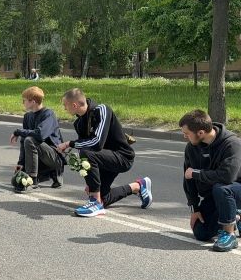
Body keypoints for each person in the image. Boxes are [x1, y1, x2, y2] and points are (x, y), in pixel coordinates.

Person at [55, 88, 152, 217]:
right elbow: (86, 152)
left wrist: (68, 144)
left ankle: (94, 203)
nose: (64, 109)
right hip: (102, 159)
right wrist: (91, 183)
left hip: (121, 157)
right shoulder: (79, 122)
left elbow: (96, 143)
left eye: (65, 105)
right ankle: (138, 186)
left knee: (86, 152)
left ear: (74, 105)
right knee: (103, 198)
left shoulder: (102, 110)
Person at [179, 109, 241, 252]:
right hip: (217, 196)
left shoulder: (231, 144)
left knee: (221, 187)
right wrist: (194, 208)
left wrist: (196, 173)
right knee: (201, 233)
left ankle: (229, 233)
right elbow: (188, 178)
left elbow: (227, 176)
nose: (185, 137)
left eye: (186, 133)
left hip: (235, 190)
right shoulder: (192, 148)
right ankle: (236, 216)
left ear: (201, 133)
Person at [9, 86, 65, 190]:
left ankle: (34, 181)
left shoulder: (48, 114)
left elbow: (40, 134)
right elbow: (23, 142)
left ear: (33, 102)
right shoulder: (27, 116)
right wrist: (21, 163)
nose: (23, 103)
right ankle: (44, 174)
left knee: (30, 140)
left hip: (54, 156)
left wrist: (18, 131)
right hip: (39, 156)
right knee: (16, 180)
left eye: (24, 100)